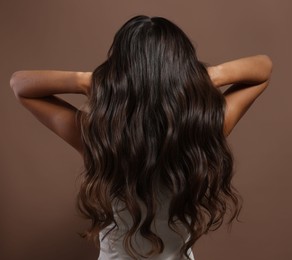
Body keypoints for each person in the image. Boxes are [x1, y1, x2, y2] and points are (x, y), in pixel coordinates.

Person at [10, 15, 272, 260]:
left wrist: (91, 81)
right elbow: (263, 68)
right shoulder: (204, 130)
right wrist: (201, 78)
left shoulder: (99, 136)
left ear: (120, 73)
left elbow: (20, 85)